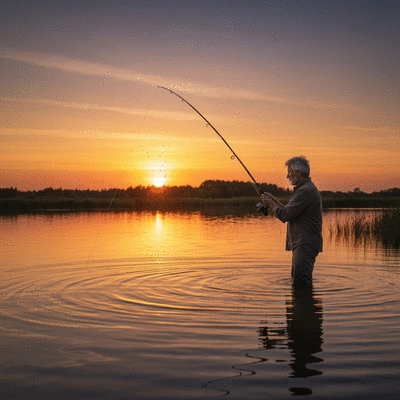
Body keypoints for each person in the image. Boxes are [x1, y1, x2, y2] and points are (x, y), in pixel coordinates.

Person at [262, 156, 323, 288]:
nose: (287, 176)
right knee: (299, 280)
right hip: (302, 243)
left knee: (301, 283)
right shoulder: (304, 190)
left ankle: (303, 307)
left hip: (305, 244)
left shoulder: (305, 190)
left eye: (289, 172)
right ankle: (301, 306)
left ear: (298, 173)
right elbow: (290, 211)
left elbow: (285, 215)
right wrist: (273, 199)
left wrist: (271, 204)